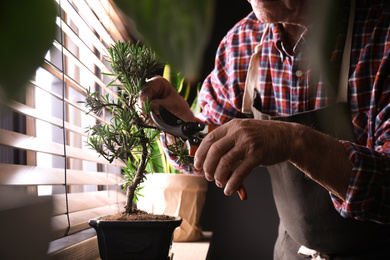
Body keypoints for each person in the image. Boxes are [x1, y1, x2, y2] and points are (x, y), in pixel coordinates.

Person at [140, 0, 390, 259]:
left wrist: (292, 140)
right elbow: (208, 149)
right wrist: (182, 124)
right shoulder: (241, 43)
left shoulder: (381, 34)